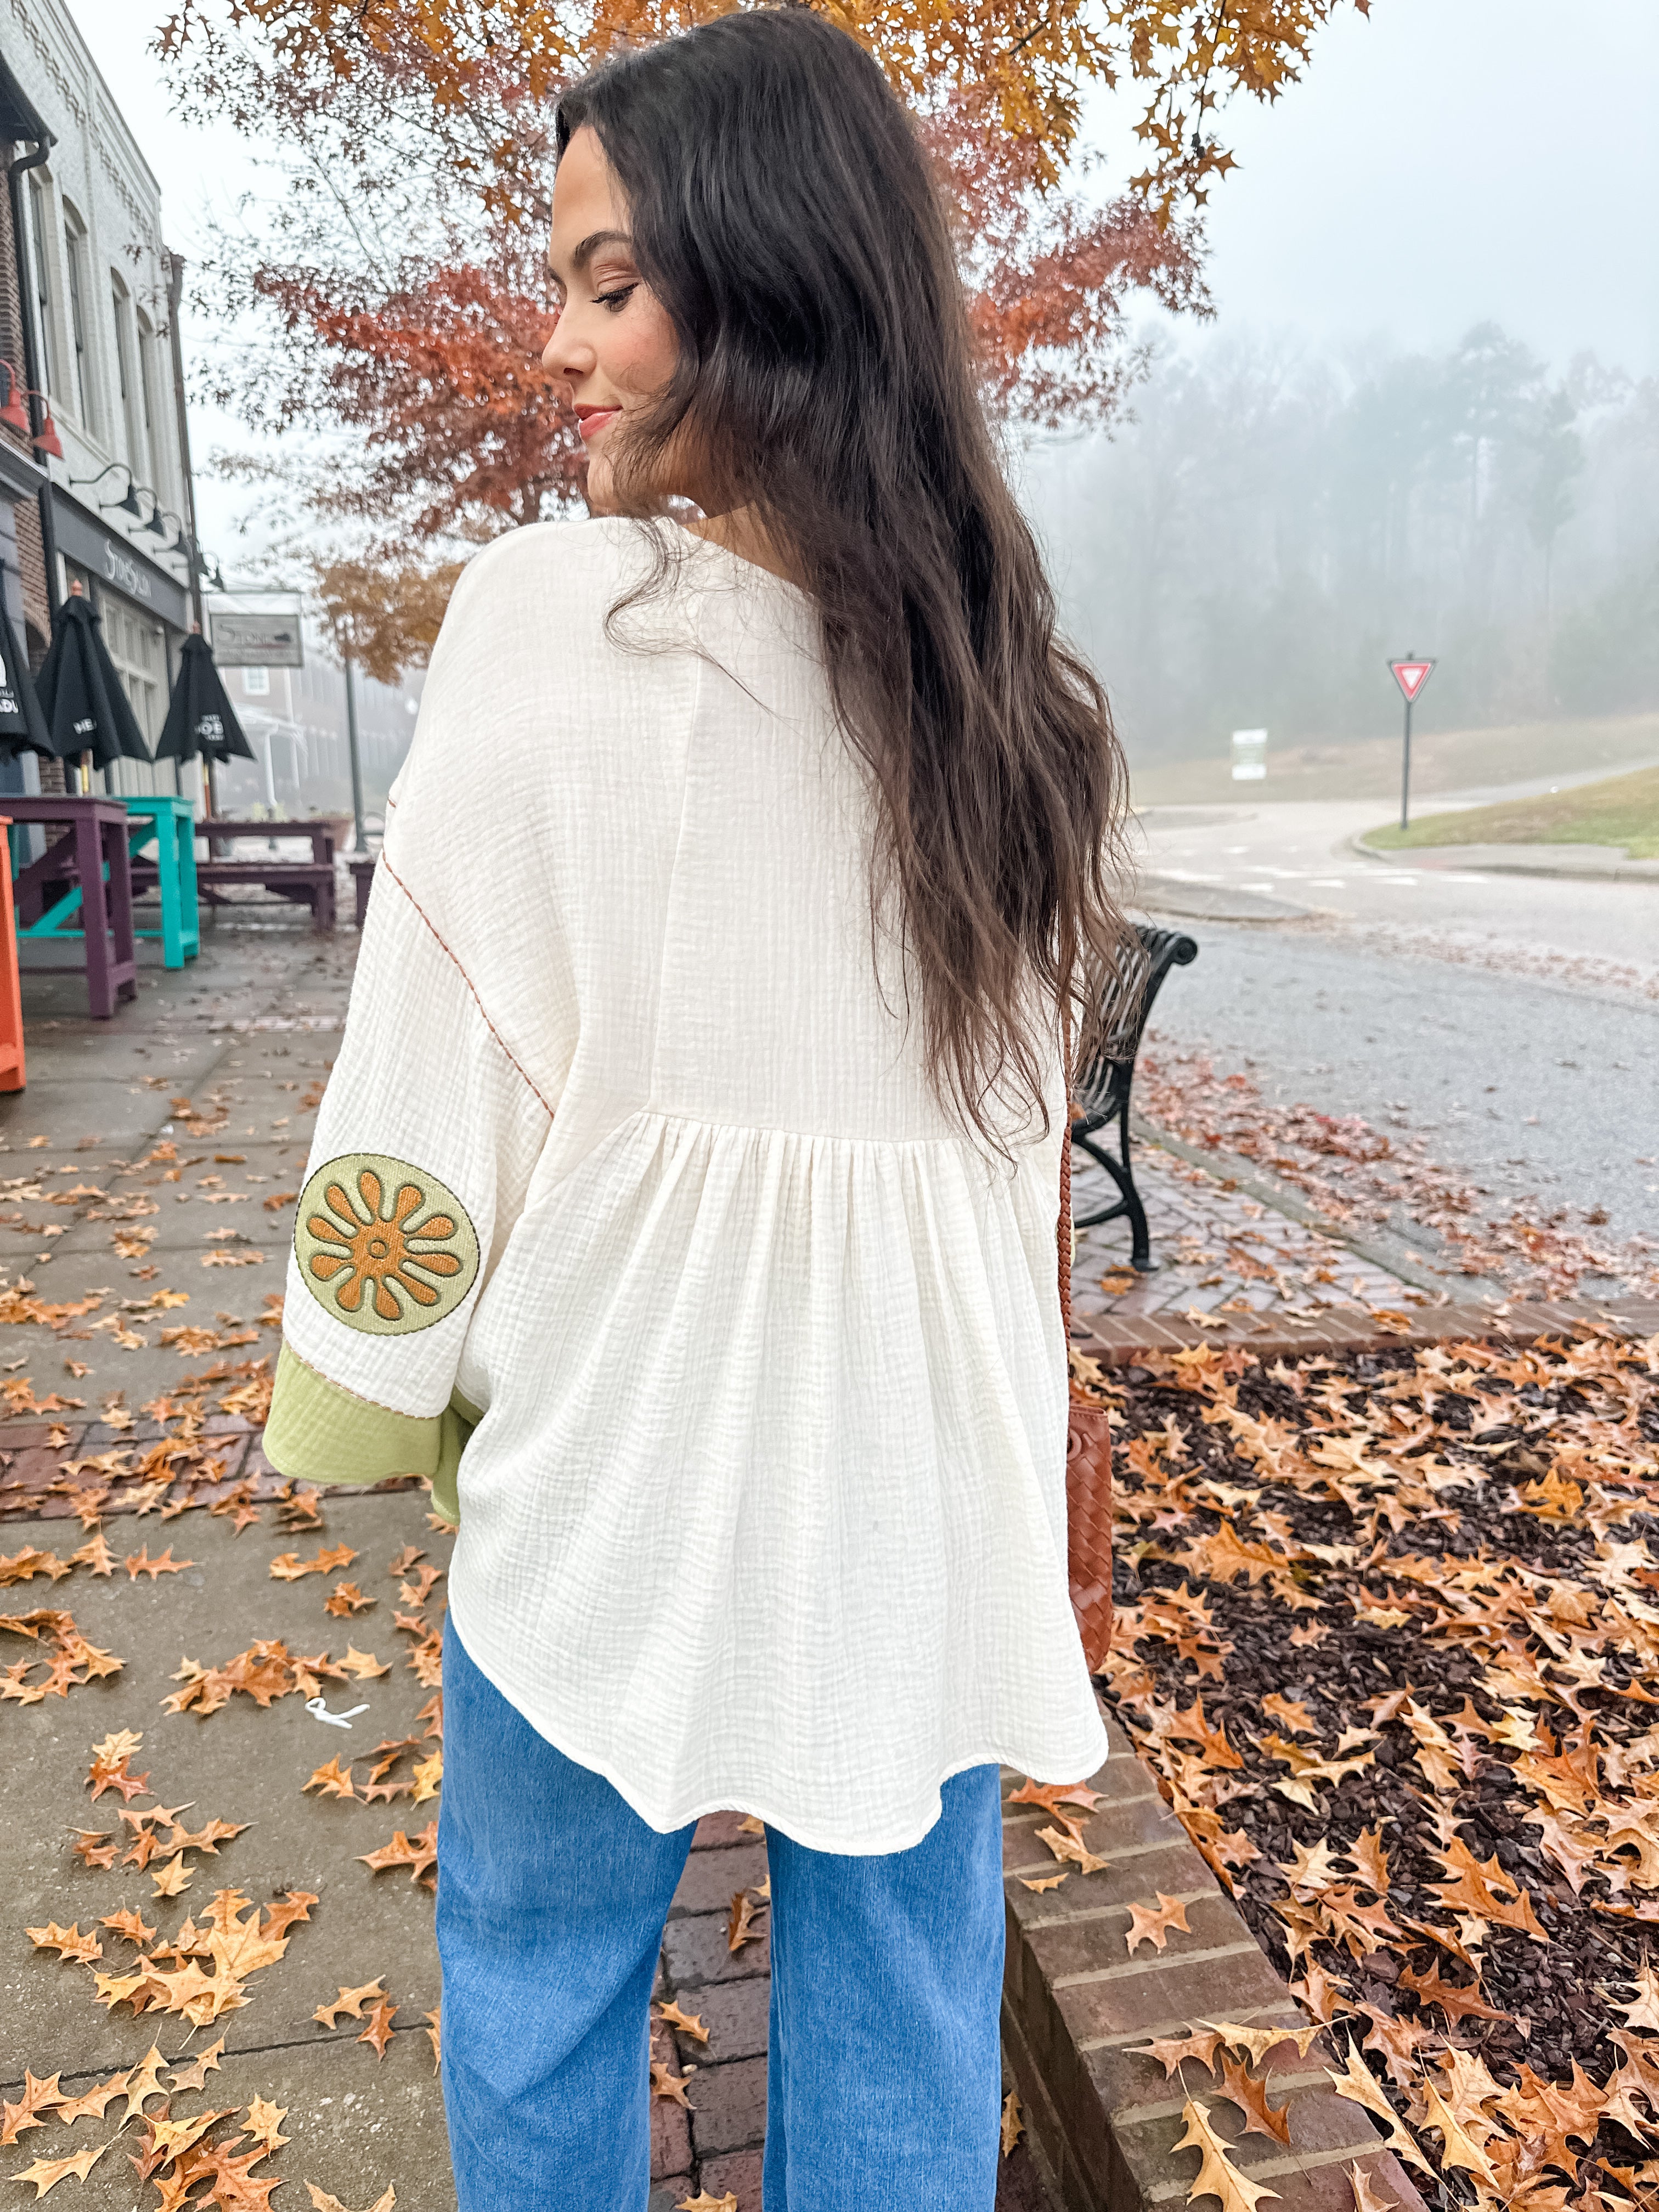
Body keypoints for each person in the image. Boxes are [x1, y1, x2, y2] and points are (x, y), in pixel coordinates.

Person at [262, 9, 1130, 2204]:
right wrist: (1040, 1447)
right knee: (908, 1999)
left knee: (545, 1963)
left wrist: (375, 1378)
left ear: (772, 286)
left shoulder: (552, 623)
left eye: (606, 284)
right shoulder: (1007, 691)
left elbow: (430, 1058)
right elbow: (1015, 1155)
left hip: (625, 1445)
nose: (553, 344)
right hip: (924, 1468)